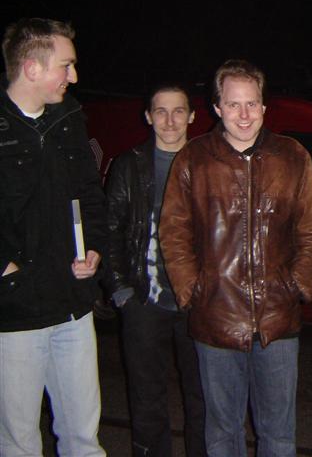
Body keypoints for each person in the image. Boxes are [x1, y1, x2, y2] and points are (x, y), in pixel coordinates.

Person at [159, 59, 312, 457]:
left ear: (265, 106)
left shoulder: (292, 156)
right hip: (215, 316)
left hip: (278, 319)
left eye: (252, 103)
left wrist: (297, 285)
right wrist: (194, 290)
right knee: (222, 432)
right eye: (234, 104)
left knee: (279, 434)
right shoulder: (194, 158)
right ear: (217, 107)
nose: (244, 114)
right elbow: (174, 231)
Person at [0, 18, 106, 456]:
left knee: (83, 436)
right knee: (19, 442)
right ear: (32, 68)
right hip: (15, 312)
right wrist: (6, 269)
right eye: (66, 65)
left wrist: (94, 247)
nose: (74, 76)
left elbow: (89, 193)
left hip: (72, 306)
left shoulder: (69, 118)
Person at [105, 82, 205, 456]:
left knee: (203, 398)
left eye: (178, 111)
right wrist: (122, 292)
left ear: (192, 116)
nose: (170, 120)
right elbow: (110, 230)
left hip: (197, 302)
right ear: (148, 117)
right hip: (144, 300)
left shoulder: (207, 164)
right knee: (146, 399)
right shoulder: (128, 165)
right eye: (161, 111)